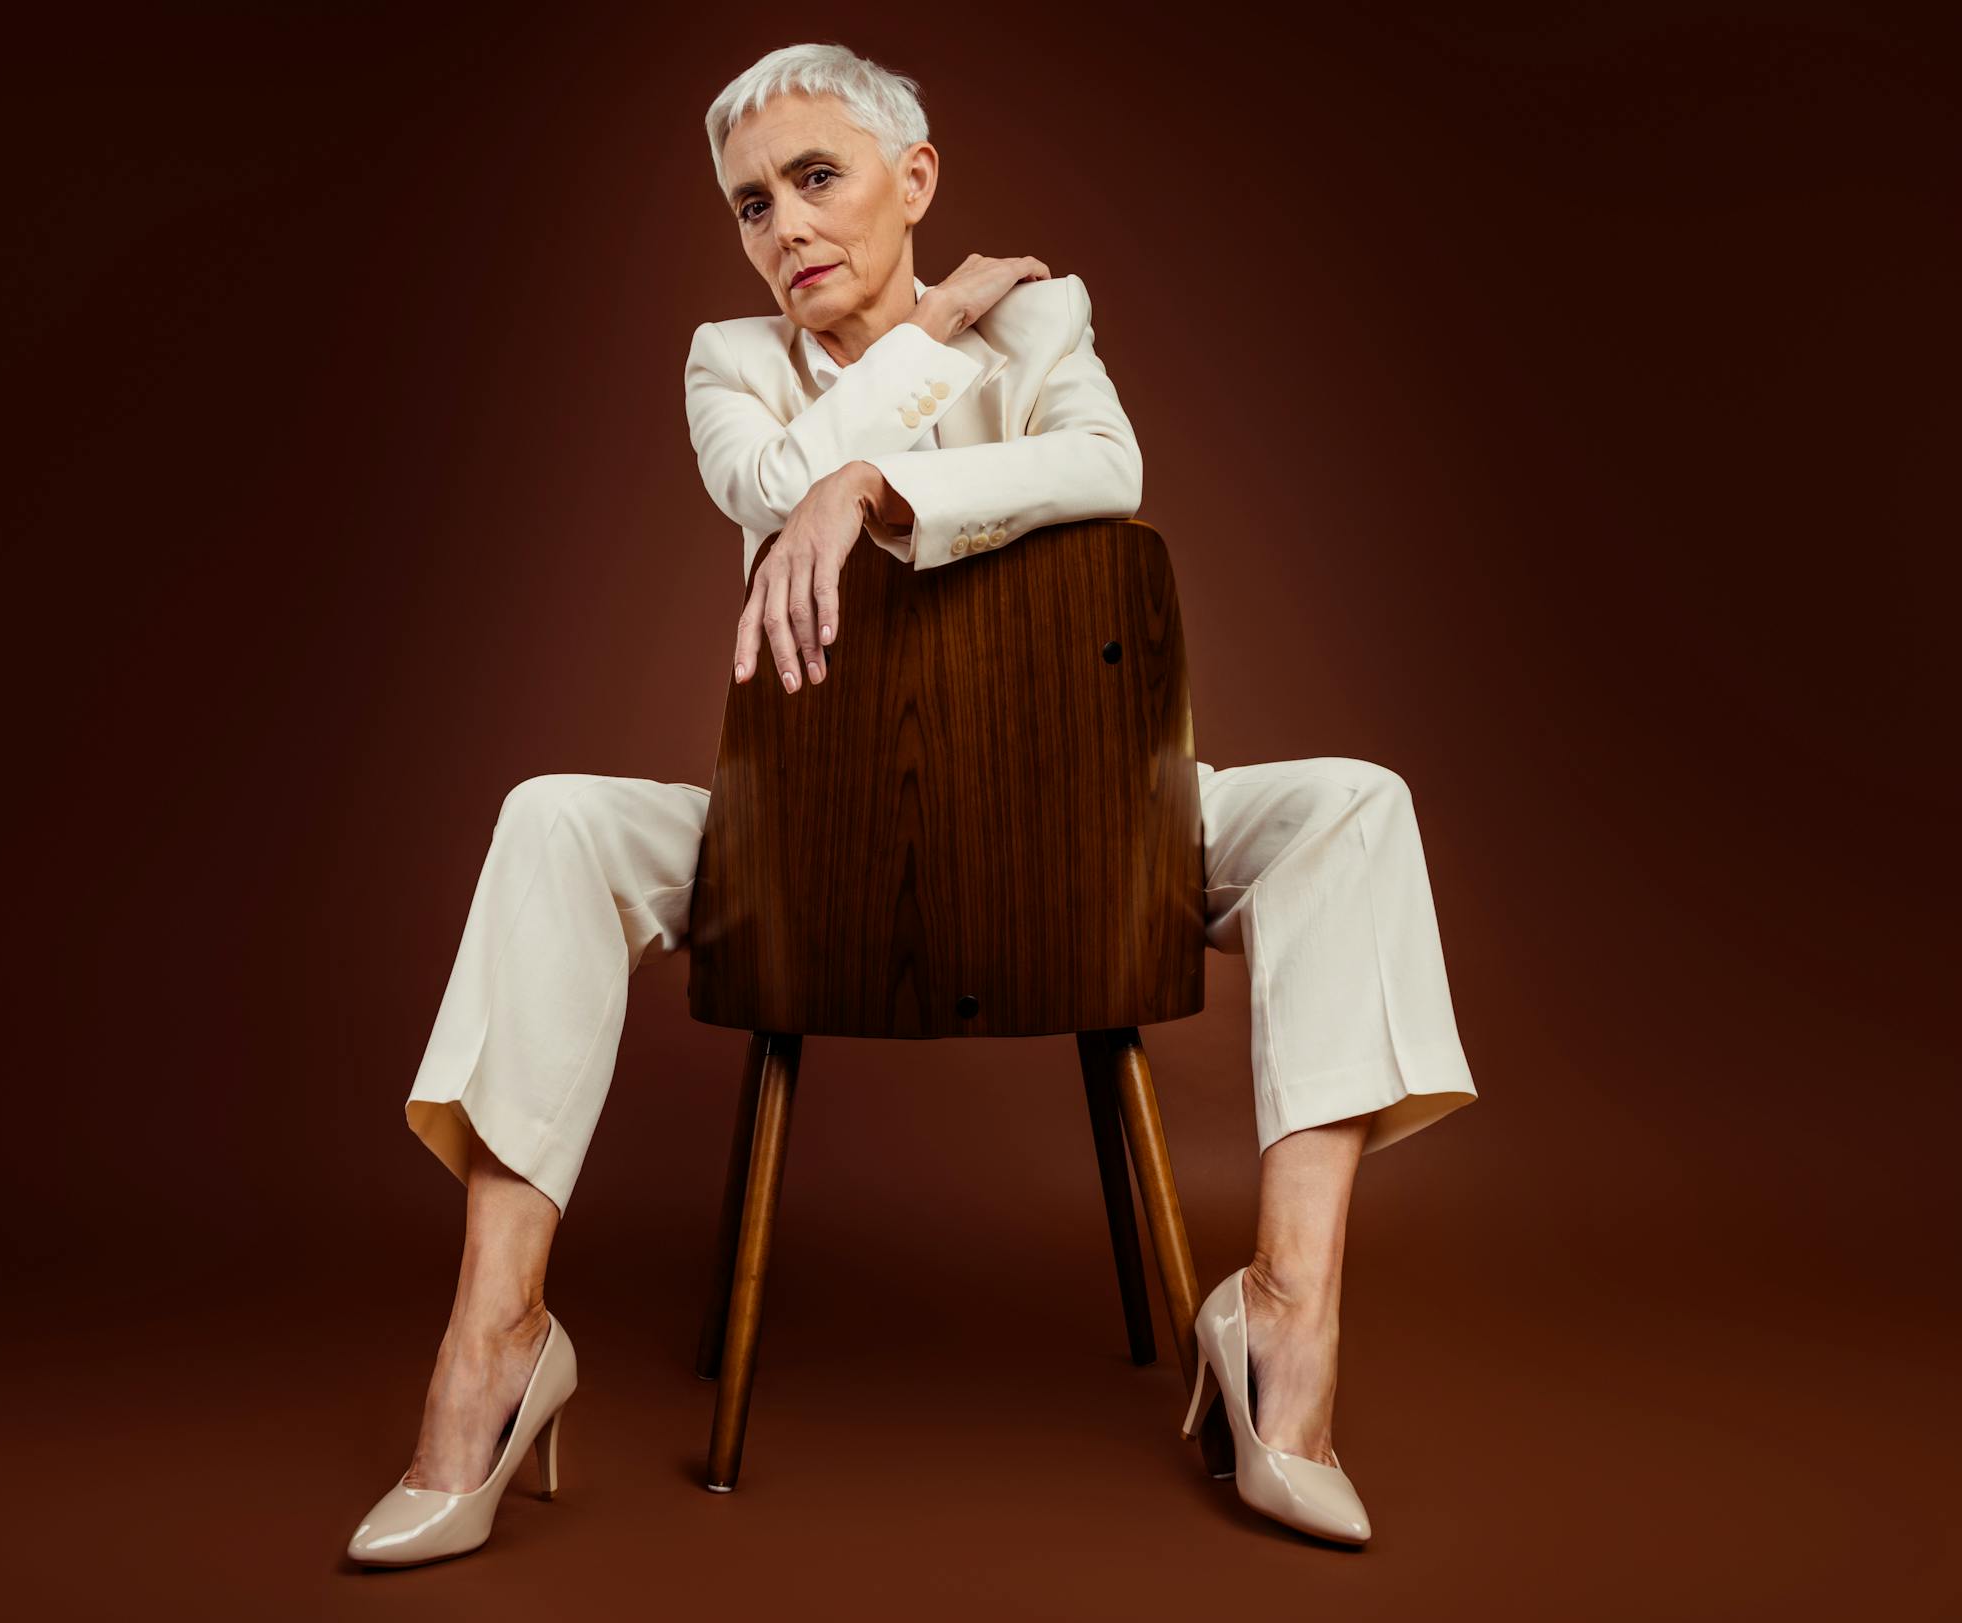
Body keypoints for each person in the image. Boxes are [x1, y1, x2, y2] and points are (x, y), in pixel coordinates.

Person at [347, 41, 1478, 1565]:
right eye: (751, 205)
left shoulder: (1049, 320)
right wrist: (928, 338)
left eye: (817, 179)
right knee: (552, 817)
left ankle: (1286, 1323)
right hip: (805, 839)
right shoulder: (730, 363)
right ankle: (494, 1348)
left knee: (1358, 803)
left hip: (1088, 820)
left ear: (916, 179)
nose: (784, 229)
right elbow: (762, 488)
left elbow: (1105, 466)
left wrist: (874, 491)